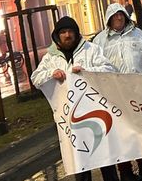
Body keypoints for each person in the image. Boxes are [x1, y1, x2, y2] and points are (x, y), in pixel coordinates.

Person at [31, 17, 119, 181]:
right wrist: (52, 74)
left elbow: (108, 69)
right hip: (71, 122)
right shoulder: (50, 58)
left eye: (70, 31)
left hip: (96, 114)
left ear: (76, 33)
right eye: (63, 32)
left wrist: (87, 71)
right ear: (57, 35)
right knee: (81, 162)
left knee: (106, 159)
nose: (67, 35)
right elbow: (35, 78)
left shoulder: (91, 49)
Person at [92, 4, 142, 180]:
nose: (118, 18)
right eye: (115, 16)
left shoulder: (138, 34)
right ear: (109, 18)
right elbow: (94, 64)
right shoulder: (100, 41)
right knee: (121, 133)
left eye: (121, 15)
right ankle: (125, 171)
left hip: (138, 90)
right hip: (114, 94)